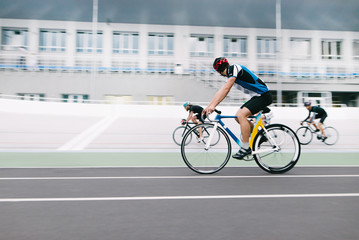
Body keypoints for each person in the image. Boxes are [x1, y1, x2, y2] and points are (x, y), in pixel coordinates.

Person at [203, 57, 272, 159]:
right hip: (258, 96)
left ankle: (245, 148)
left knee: (241, 115)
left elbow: (226, 89)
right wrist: (209, 106)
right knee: (237, 117)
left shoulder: (234, 69)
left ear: (218, 71)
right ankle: (259, 136)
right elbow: (220, 91)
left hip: (263, 95)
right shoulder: (231, 75)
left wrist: (213, 106)